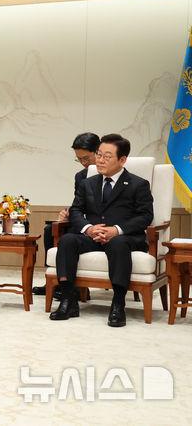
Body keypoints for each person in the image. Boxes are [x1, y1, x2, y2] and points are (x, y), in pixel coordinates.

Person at [50, 134, 153, 327]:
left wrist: (117, 230)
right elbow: (76, 210)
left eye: (107, 156)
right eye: (99, 155)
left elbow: (145, 216)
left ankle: (118, 303)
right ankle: (68, 300)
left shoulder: (138, 184)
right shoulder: (87, 183)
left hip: (124, 238)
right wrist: (88, 229)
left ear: (122, 160)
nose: (100, 160)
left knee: (118, 244)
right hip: (93, 236)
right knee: (67, 240)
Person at [32, 132, 100, 297]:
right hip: (84, 224)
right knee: (50, 230)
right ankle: (54, 280)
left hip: (102, 226)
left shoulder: (112, 173)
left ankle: (75, 287)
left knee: (68, 237)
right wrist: (68, 214)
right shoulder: (81, 176)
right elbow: (78, 205)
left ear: (98, 152)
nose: (83, 163)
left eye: (86, 158)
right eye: (79, 159)